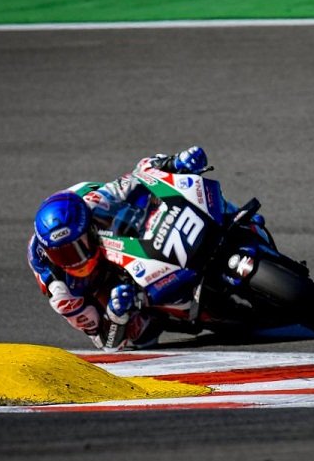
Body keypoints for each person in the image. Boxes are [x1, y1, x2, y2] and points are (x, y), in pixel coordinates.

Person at [28, 145, 214, 351]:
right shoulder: (63, 294)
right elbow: (104, 343)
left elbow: (140, 175)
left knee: (145, 199)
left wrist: (174, 162)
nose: (73, 260)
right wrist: (115, 316)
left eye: (76, 249)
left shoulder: (95, 202)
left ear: (88, 229)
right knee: (139, 334)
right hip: (104, 284)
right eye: (61, 255)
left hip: (102, 228)